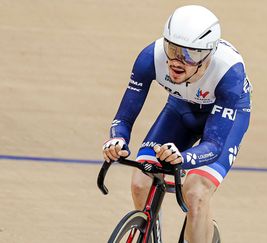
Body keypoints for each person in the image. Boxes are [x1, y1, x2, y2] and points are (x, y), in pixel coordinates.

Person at [102, 5, 252, 243]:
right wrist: (118, 138)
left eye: (190, 54)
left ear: (208, 54)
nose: (177, 61)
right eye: (173, 48)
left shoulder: (229, 72)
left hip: (224, 120)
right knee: (141, 181)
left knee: (195, 191)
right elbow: (124, 117)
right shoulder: (151, 57)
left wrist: (184, 158)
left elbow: (213, 144)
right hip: (180, 110)